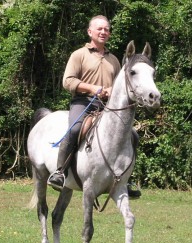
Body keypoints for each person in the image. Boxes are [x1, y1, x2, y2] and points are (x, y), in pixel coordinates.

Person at [48, 15, 141, 199]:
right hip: (83, 102)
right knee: (74, 130)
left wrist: (110, 90)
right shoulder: (79, 55)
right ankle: (60, 172)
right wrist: (93, 88)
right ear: (90, 32)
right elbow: (68, 81)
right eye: (100, 29)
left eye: (106, 29)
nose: (103, 32)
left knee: (133, 135)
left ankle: (126, 180)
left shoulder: (114, 60)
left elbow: (121, 85)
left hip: (107, 107)